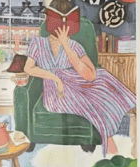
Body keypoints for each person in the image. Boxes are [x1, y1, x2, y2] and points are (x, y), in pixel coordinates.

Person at [22, 22, 134, 155]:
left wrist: (66, 45)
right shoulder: (37, 43)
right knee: (90, 101)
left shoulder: (75, 46)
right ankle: (109, 142)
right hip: (55, 91)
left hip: (77, 82)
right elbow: (28, 68)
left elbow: (90, 75)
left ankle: (111, 140)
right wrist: (55, 78)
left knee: (102, 80)